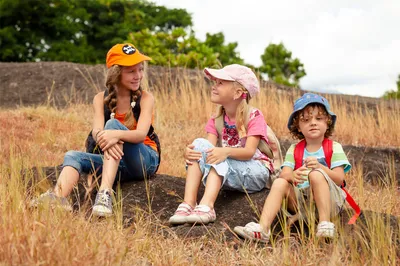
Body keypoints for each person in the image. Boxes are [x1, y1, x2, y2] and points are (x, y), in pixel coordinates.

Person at [30, 43, 160, 217]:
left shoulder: (146, 98)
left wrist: (114, 134)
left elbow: (140, 135)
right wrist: (108, 137)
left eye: (140, 70)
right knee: (72, 155)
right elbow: (96, 132)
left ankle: (104, 193)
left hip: (144, 160)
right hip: (116, 163)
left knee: (111, 126)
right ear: (116, 73)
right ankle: (58, 197)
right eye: (131, 71)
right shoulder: (100, 99)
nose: (138, 76)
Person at [234, 93, 351, 242]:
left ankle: (324, 223)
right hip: (301, 202)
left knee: (316, 174)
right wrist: (293, 175)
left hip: (329, 201)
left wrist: (321, 168)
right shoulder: (294, 149)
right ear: (299, 127)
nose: (313, 123)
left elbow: (339, 179)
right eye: (306, 120)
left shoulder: (334, 147)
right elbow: (284, 175)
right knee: (279, 182)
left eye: (319, 118)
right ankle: (263, 229)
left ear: (327, 122)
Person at [169, 64, 273, 225]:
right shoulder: (217, 118)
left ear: (238, 92)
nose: (214, 87)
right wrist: (191, 153)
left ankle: (207, 206)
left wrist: (225, 152)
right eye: (215, 82)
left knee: (219, 156)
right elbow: (208, 151)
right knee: (199, 144)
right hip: (230, 167)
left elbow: (249, 152)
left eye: (220, 83)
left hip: (256, 170)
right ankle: (188, 204)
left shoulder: (254, 116)